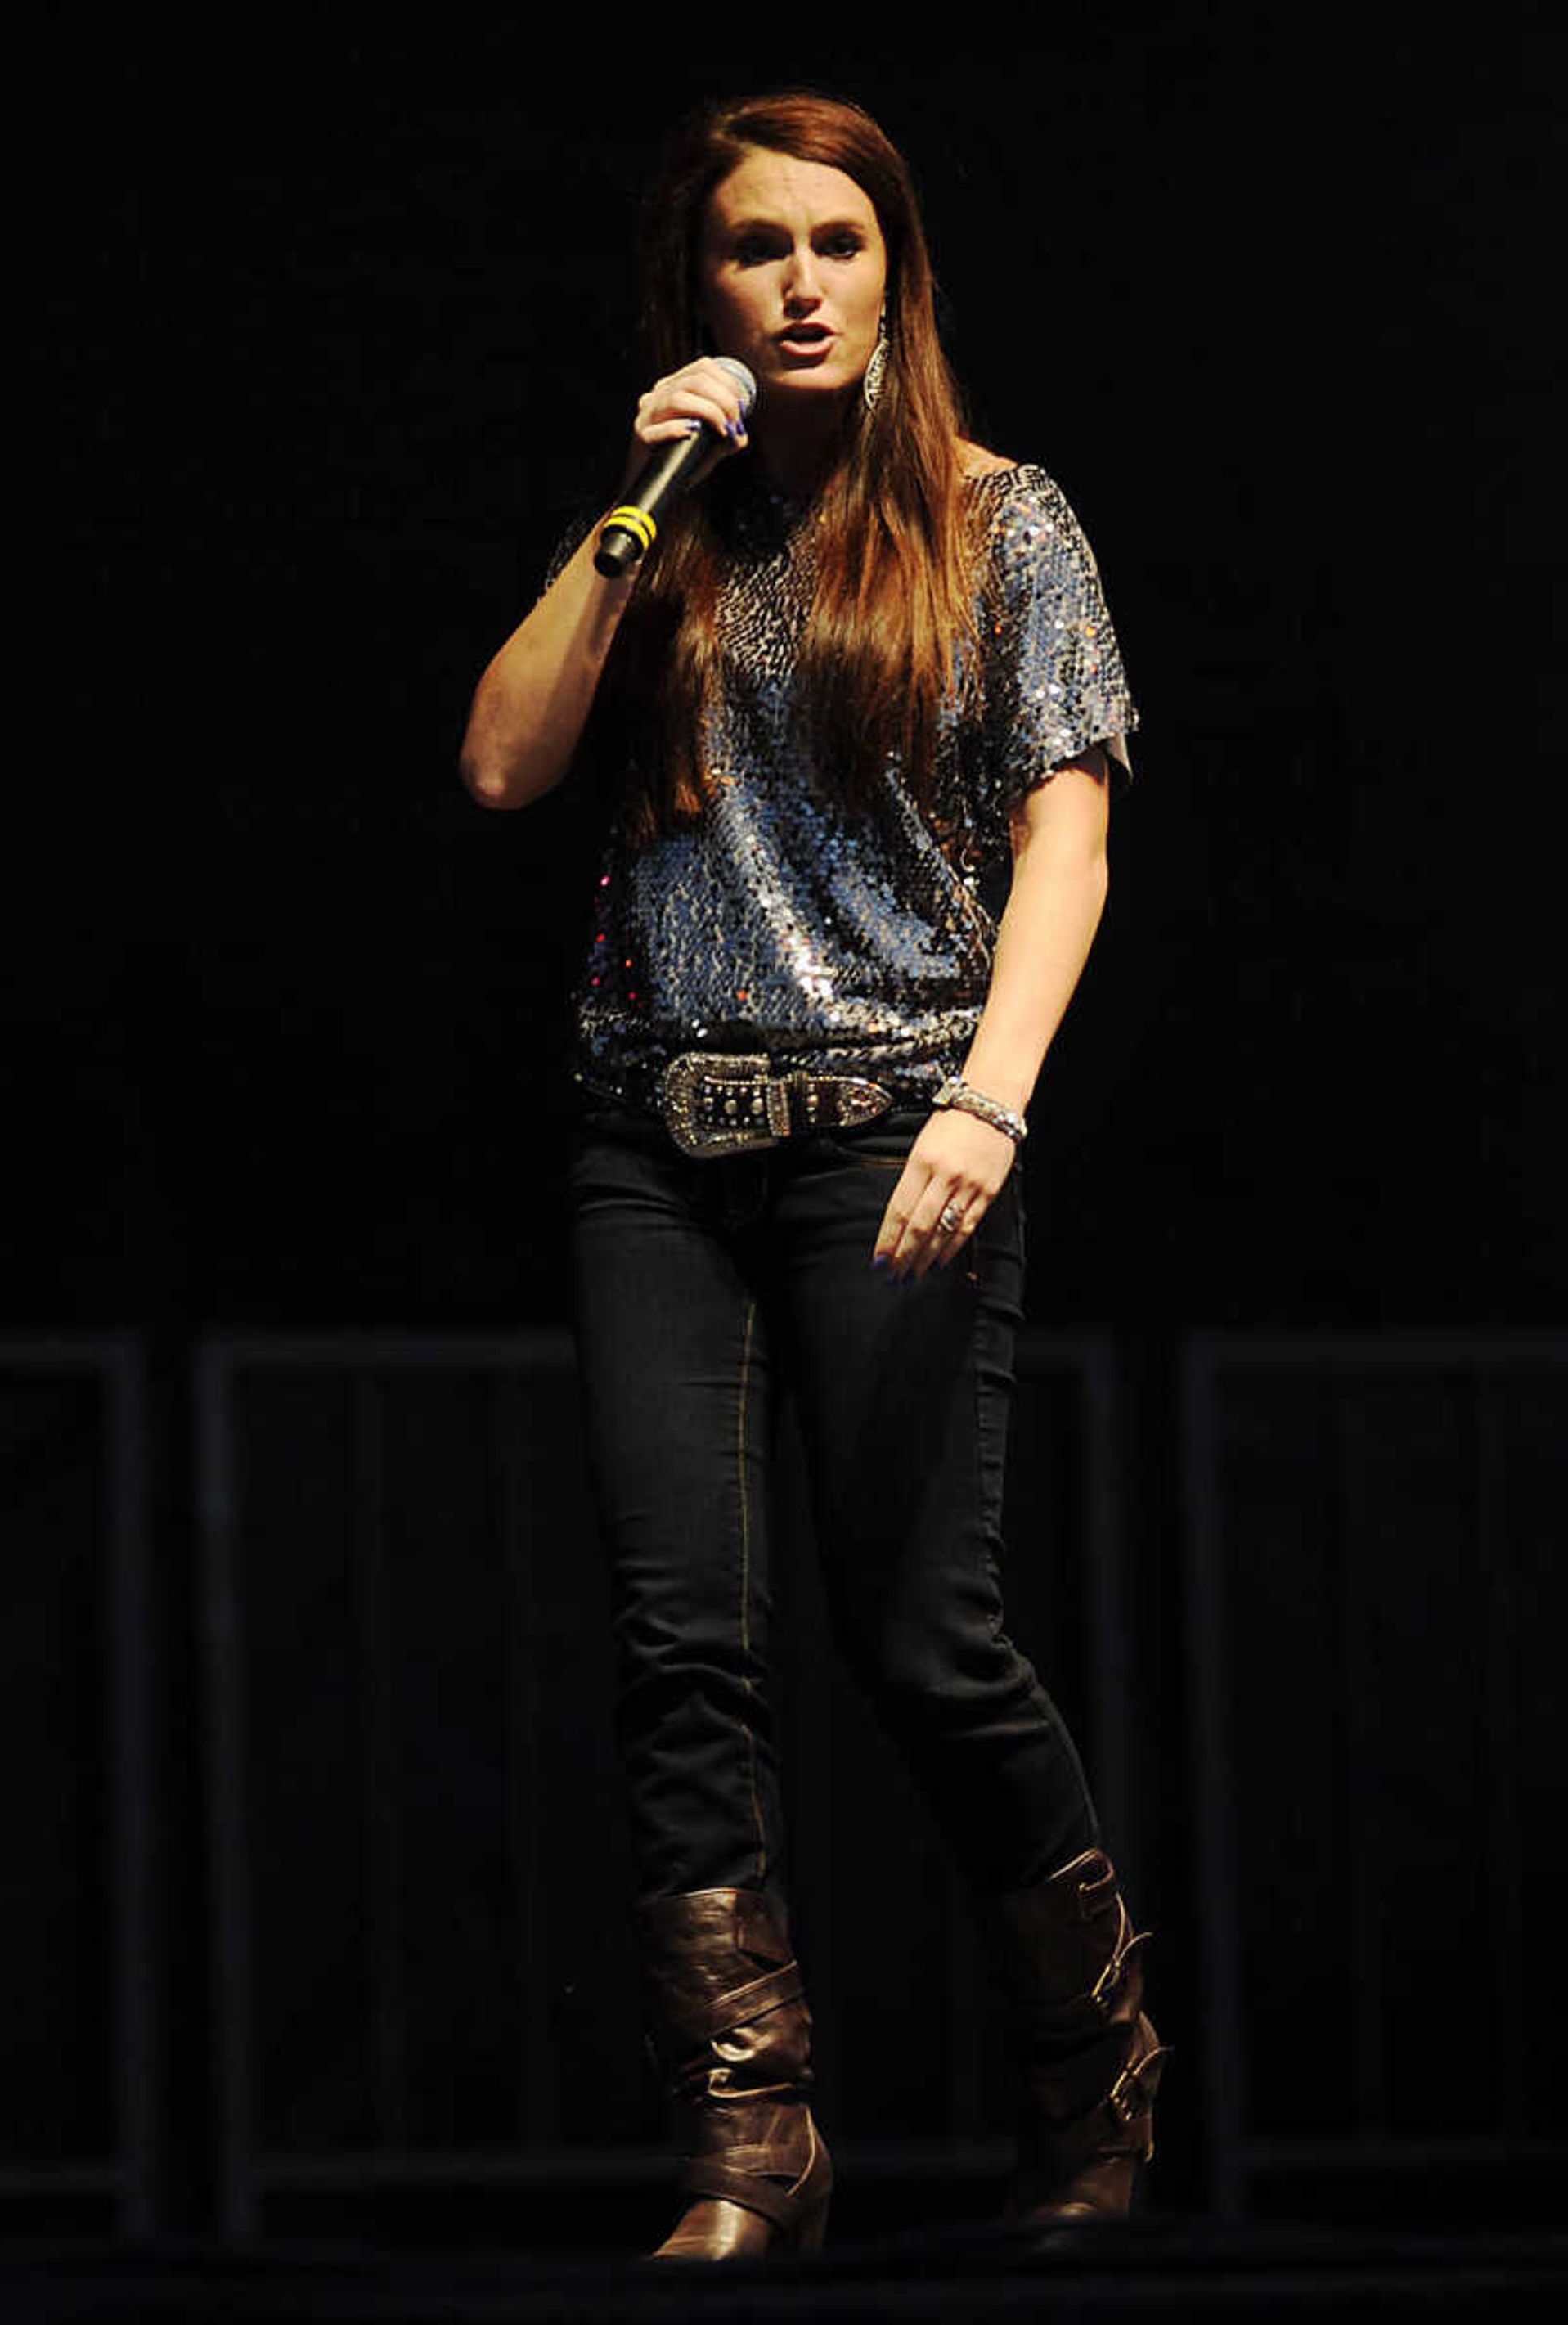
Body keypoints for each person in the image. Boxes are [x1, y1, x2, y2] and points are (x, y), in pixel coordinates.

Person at [455, 90, 1167, 2260]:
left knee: (922, 1635)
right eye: (755, 248)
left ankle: (1095, 2081)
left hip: (895, 1126)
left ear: (895, 272)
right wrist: (627, 509)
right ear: (703, 288)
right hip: (652, 1135)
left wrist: (990, 1097)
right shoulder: (658, 526)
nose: (796, 283)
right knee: (683, 1649)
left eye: (835, 244)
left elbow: (1072, 827)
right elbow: (501, 760)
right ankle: (749, 2149)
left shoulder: (997, 519)